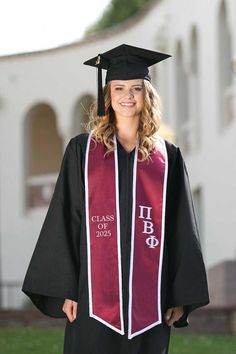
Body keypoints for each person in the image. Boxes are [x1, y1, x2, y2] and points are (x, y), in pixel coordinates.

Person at [22, 44, 209, 354]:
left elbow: (181, 226)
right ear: (107, 96)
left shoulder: (167, 157)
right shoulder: (82, 151)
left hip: (150, 303)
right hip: (94, 300)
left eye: (136, 88)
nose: (128, 95)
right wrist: (66, 289)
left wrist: (179, 294)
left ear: (147, 95)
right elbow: (66, 217)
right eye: (119, 88)